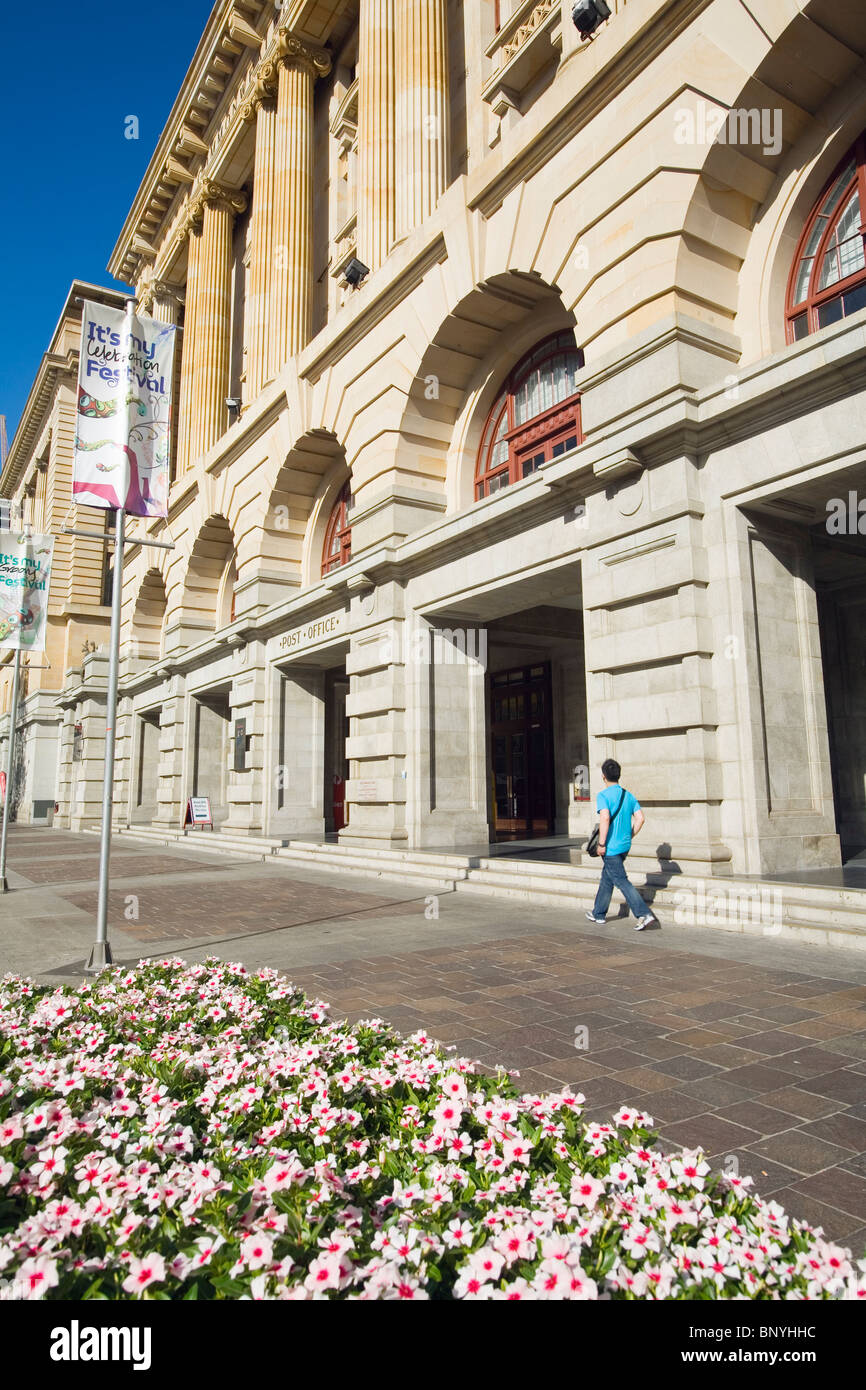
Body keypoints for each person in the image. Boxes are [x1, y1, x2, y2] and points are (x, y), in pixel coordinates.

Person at [585, 759, 656, 930]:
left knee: (621, 881)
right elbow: (641, 818)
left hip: (610, 846)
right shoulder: (628, 795)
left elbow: (605, 818)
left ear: (603, 776)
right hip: (625, 845)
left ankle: (644, 914)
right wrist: (630, 835)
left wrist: (601, 843)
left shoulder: (603, 796)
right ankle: (598, 913)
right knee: (607, 878)